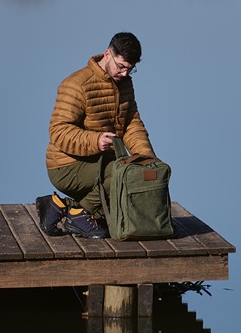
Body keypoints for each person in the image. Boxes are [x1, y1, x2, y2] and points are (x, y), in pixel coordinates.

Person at [36, 32, 156, 238]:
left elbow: (131, 124)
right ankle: (79, 215)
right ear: (107, 54)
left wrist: (147, 159)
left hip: (102, 163)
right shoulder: (76, 84)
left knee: (119, 206)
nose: (125, 73)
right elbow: (58, 130)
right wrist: (95, 140)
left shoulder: (124, 83)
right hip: (66, 165)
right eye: (121, 66)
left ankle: (58, 205)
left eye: (130, 69)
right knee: (123, 175)